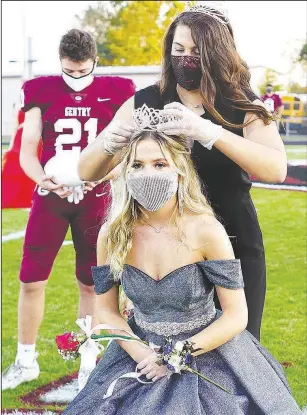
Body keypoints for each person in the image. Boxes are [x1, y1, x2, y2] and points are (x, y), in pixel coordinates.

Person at [2, 120, 307, 415]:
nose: (148, 174)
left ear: (179, 169)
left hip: (208, 351)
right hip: (137, 350)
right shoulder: (113, 232)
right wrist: (143, 350)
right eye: (138, 165)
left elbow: (236, 315)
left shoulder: (205, 228)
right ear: (125, 172)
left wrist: (177, 353)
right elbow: (106, 311)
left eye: (159, 164)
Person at [78, 3, 288, 342]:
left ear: (215, 53)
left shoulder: (241, 102)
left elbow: (275, 168)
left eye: (195, 51)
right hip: (164, 246)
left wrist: (209, 132)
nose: (185, 59)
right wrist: (107, 143)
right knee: (167, 350)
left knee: (239, 347)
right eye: (178, 50)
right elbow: (87, 170)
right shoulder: (147, 100)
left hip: (233, 238)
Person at [2, 29, 135, 391]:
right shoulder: (41, 89)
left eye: (82, 71)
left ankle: (88, 361)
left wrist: (101, 176)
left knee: (91, 284)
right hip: (51, 196)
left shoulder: (119, 90)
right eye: (68, 71)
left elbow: (128, 150)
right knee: (31, 279)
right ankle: (25, 359)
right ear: (60, 63)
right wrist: (43, 178)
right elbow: (28, 150)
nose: (75, 78)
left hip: (96, 196)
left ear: (94, 62)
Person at [2, 104, 40, 209]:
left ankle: (26, 198)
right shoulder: (20, 105)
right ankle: (15, 198)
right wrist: (10, 148)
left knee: (29, 167)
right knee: (15, 167)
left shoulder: (38, 103)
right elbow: (15, 127)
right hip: (22, 137)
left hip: (32, 137)